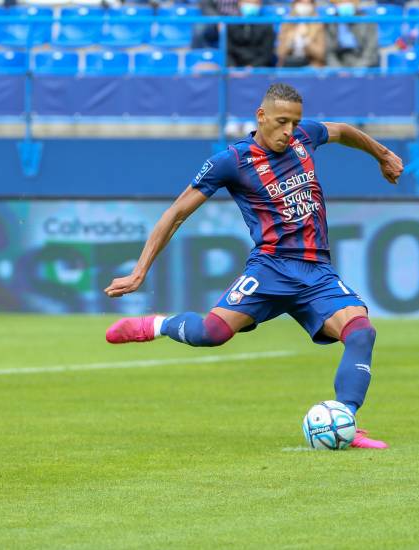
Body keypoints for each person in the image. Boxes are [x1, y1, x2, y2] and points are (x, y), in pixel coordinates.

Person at [104, 83, 403, 449]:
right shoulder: (231, 162)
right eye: (281, 122)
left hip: (316, 272)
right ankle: (157, 324)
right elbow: (176, 213)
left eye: (294, 122)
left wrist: (382, 154)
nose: (289, 131)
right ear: (261, 116)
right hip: (270, 270)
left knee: (361, 332)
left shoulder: (303, 137)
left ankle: (345, 418)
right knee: (210, 334)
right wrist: (139, 271)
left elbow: (340, 131)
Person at [324, 0, 379, 68]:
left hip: (364, 67)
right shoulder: (331, 22)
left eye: (348, 1)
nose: (345, 4)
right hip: (339, 67)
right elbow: (330, 52)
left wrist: (357, 69)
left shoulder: (367, 20)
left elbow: (371, 51)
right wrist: (338, 70)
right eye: (342, 2)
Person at [276, 0, 326, 68]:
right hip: (289, 64)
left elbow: (321, 54)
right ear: (295, 4)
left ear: (313, 5)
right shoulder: (287, 23)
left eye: (308, 3)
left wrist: (306, 40)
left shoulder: (318, 24)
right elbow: (280, 53)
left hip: (311, 65)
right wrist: (290, 40)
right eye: (301, 2)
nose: (304, 6)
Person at [226, 0, 275, 68]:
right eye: (248, 2)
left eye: (254, 3)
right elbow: (227, 51)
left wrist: (251, 68)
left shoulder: (267, 26)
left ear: (260, 4)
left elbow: (266, 55)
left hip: (259, 69)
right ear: (240, 3)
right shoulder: (231, 24)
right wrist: (232, 67)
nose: (251, 5)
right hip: (234, 69)